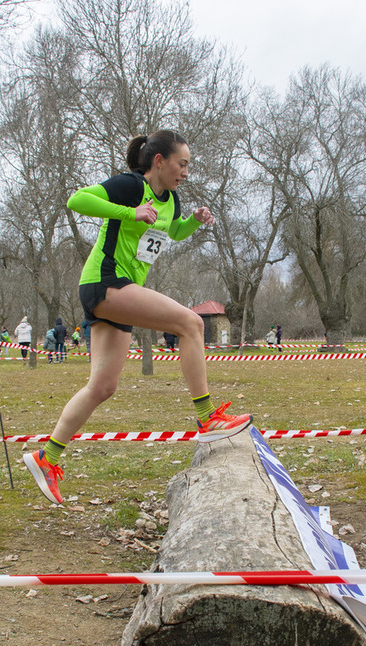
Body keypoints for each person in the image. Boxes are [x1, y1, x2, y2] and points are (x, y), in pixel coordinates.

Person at [22, 130, 252, 505]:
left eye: (189, 166)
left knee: (102, 387)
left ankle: (47, 458)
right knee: (192, 324)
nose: (186, 172)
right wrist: (130, 211)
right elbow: (77, 199)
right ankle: (207, 417)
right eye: (182, 164)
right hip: (106, 282)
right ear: (159, 161)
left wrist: (193, 220)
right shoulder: (130, 186)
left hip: (119, 292)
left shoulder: (172, 200)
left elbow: (172, 231)